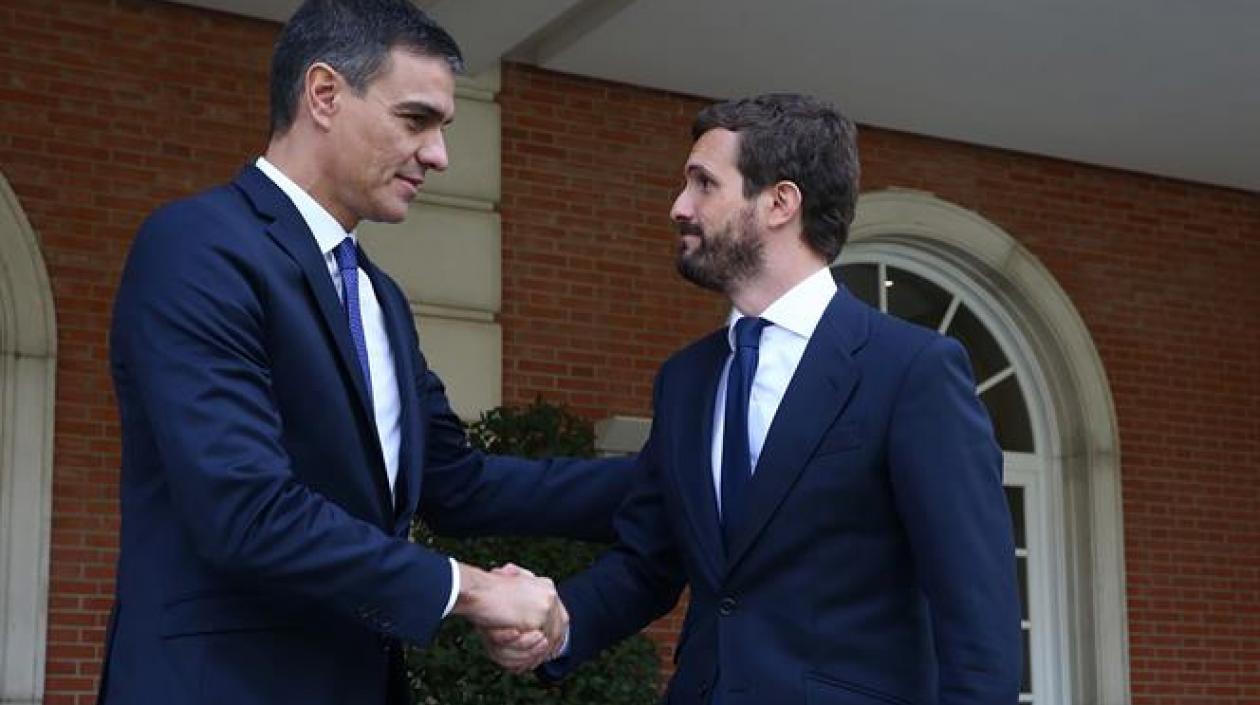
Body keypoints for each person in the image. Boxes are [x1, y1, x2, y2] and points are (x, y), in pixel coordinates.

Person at [99, 1, 630, 703]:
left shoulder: (378, 296)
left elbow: (458, 482)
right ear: (324, 95)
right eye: (416, 120)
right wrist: (467, 589)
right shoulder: (198, 247)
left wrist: (684, 471)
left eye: (443, 129)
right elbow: (246, 510)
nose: (438, 154)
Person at [486, 94, 1022, 704]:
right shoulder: (686, 381)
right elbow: (648, 563)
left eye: (704, 184)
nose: (678, 207)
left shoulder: (911, 372)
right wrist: (555, 627)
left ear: (779, 202)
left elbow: (977, 619)